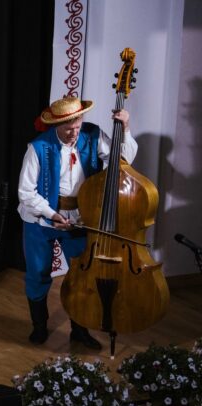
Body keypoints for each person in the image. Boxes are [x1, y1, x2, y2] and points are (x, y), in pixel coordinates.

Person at [18, 96, 137, 349]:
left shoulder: (92, 135)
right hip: (40, 219)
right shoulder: (37, 147)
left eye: (77, 125)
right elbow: (26, 192)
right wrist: (51, 214)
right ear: (56, 125)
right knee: (38, 273)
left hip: (80, 218)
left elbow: (123, 161)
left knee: (82, 274)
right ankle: (39, 326)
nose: (74, 132)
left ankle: (79, 330)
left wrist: (125, 129)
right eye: (68, 128)